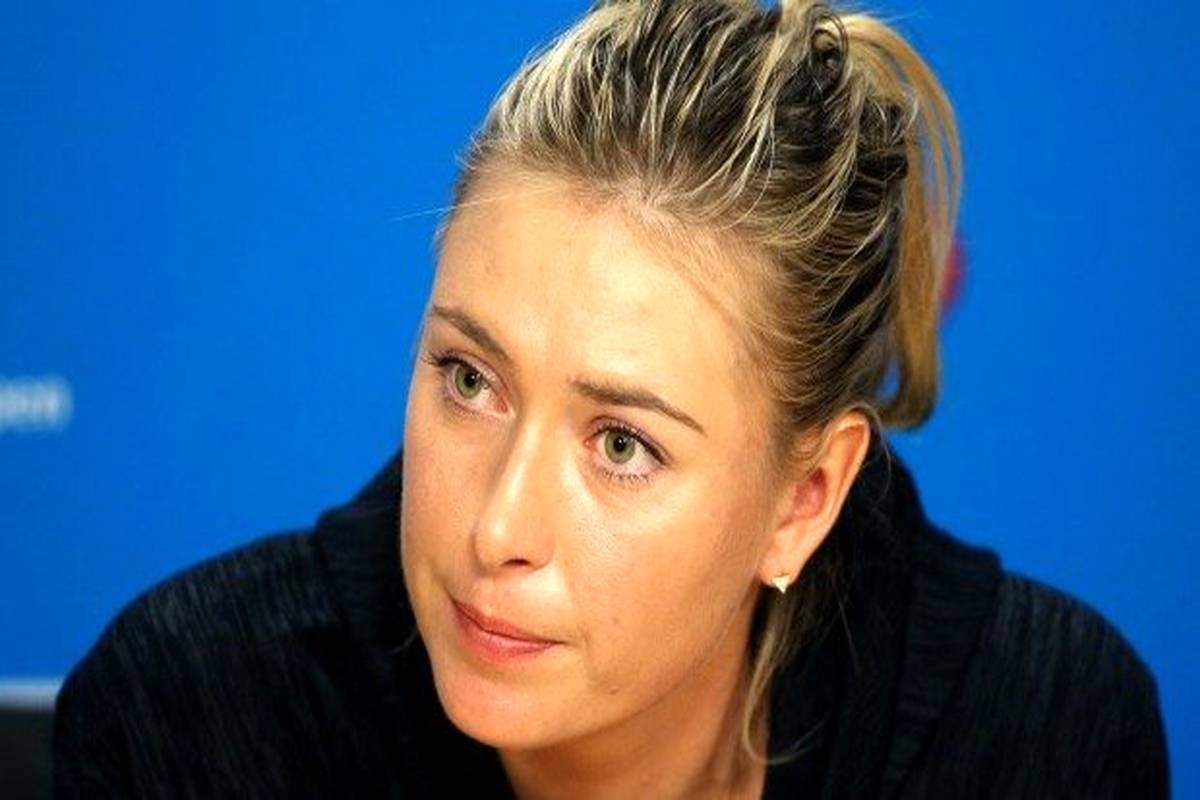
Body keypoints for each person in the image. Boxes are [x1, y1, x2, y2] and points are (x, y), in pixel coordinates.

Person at [52, 0, 1169, 797]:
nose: (498, 526)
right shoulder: (187, 720)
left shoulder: (1037, 731)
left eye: (623, 444)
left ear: (804, 499)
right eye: (471, 380)